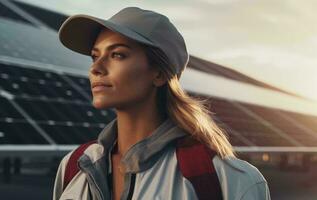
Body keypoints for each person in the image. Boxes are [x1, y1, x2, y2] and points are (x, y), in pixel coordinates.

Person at [53, 7, 271, 200]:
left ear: (158, 73)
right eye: (94, 56)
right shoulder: (74, 167)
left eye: (118, 54)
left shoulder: (228, 180)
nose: (96, 68)